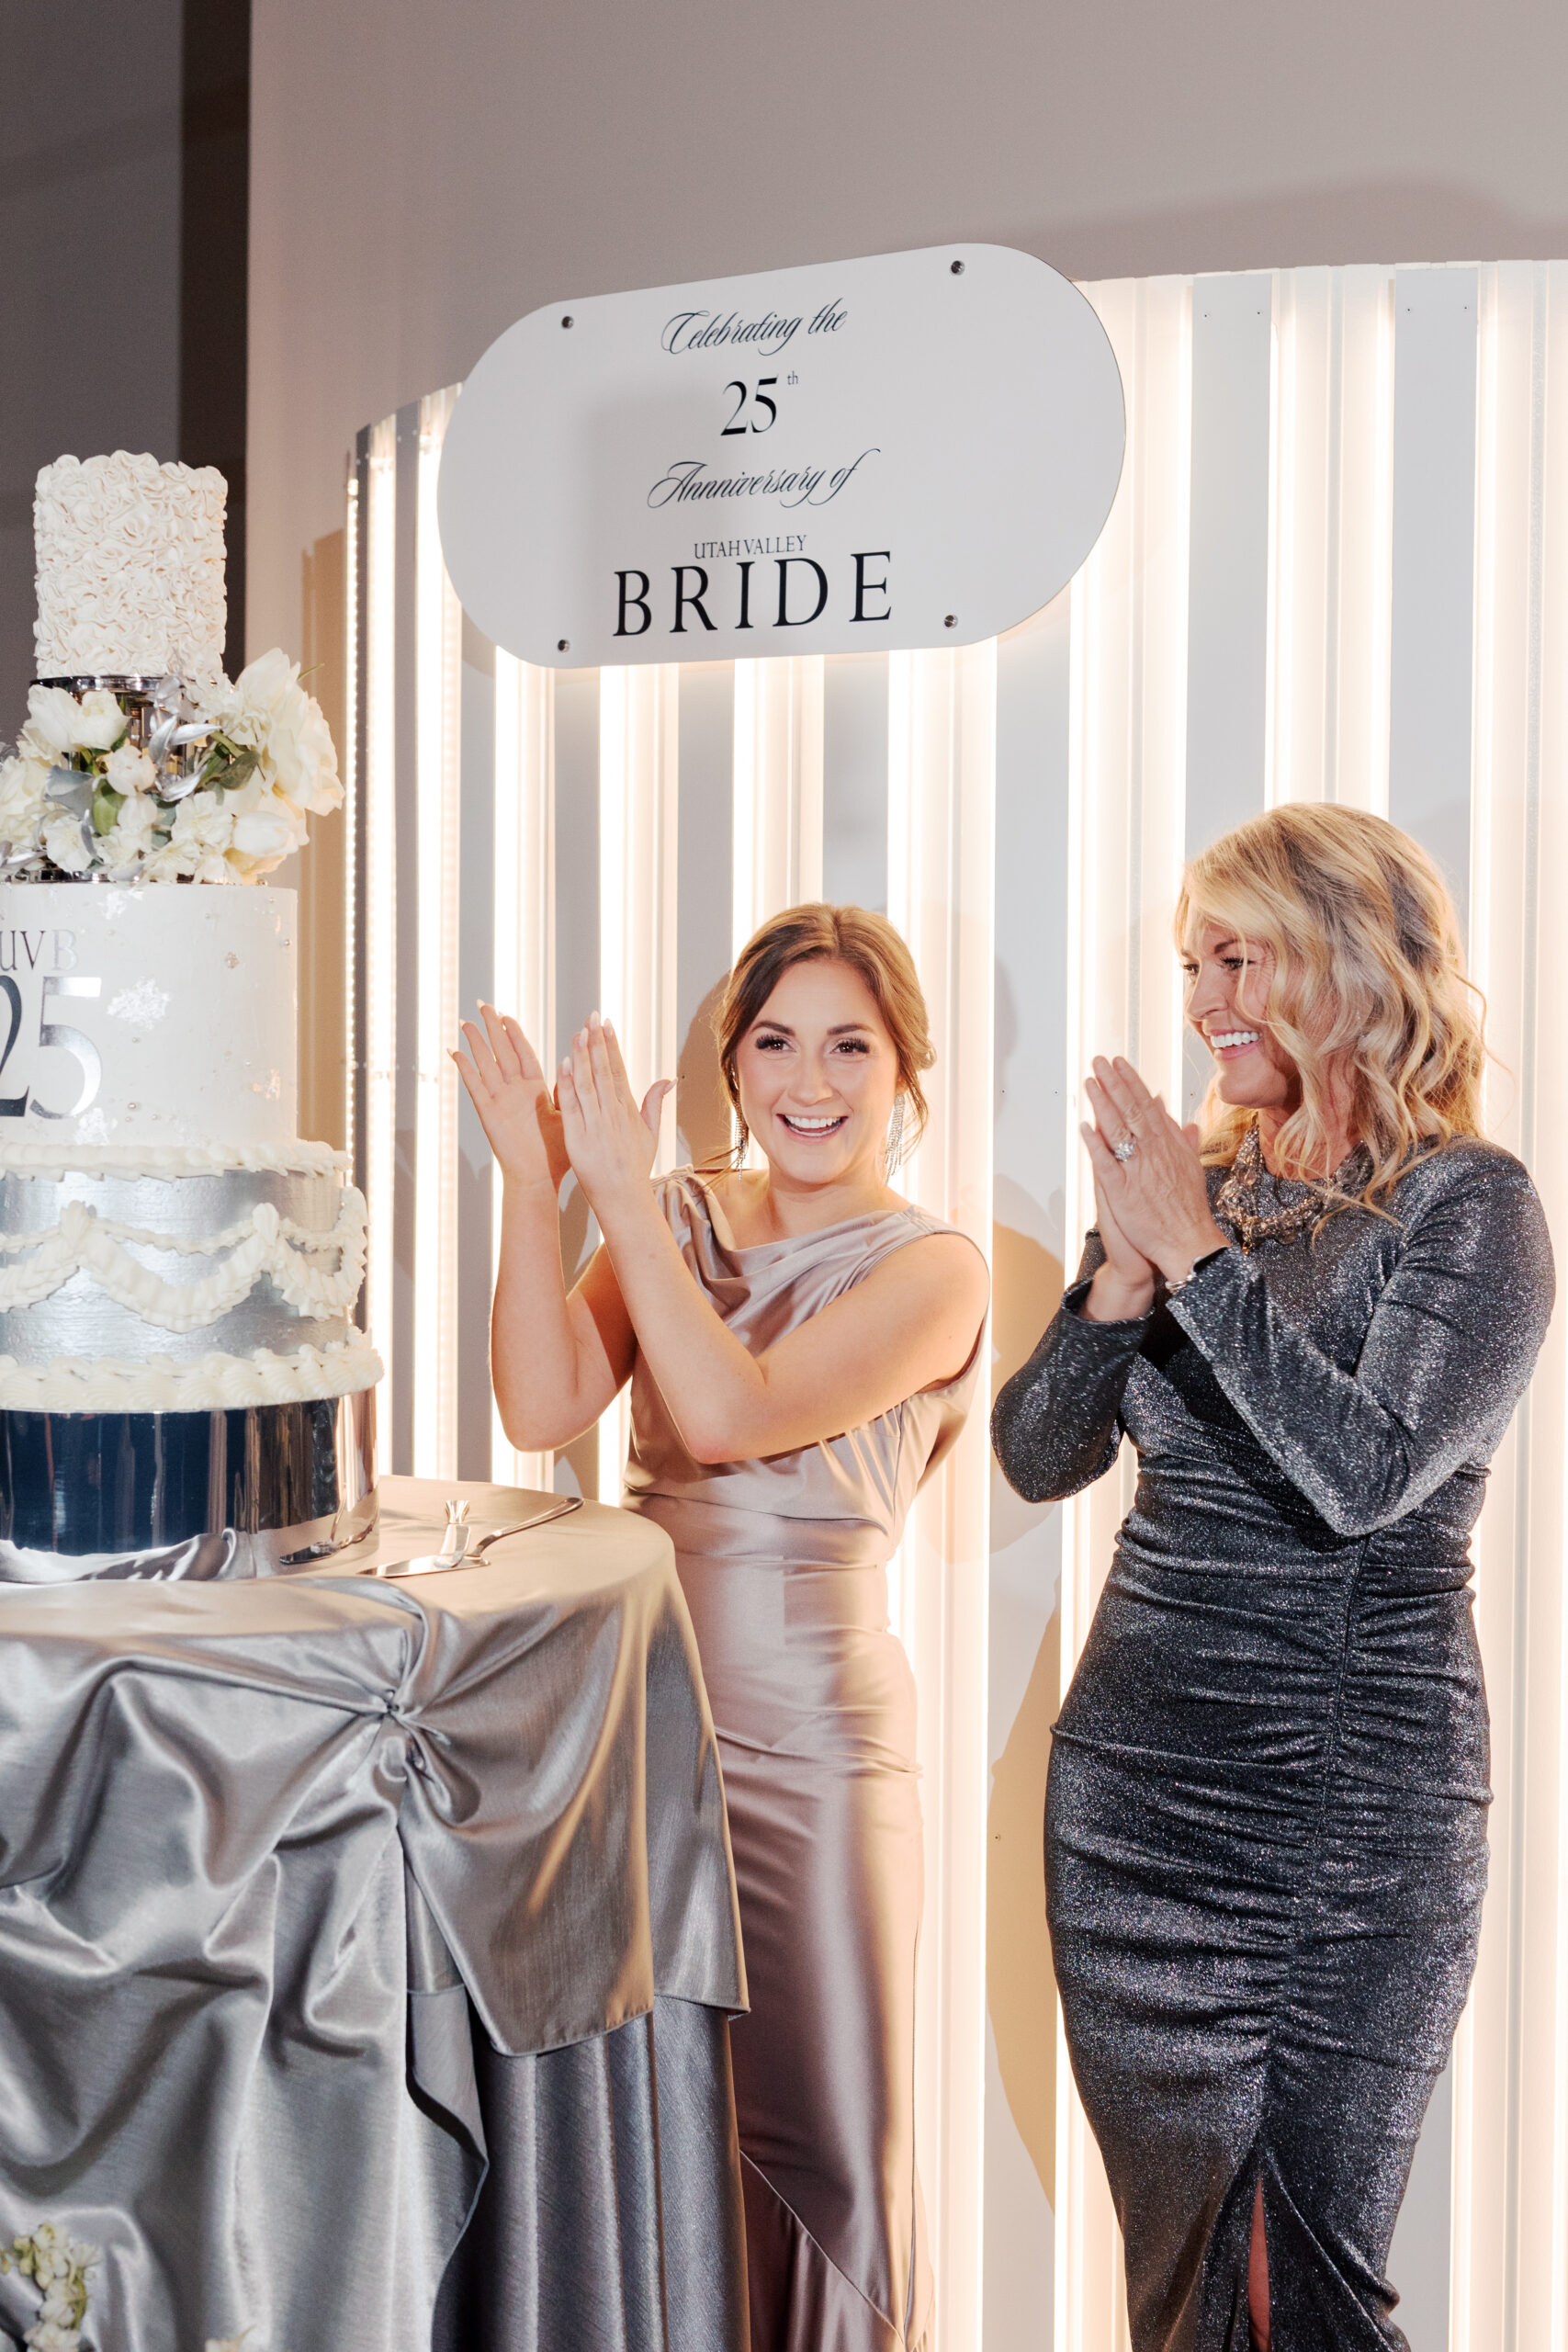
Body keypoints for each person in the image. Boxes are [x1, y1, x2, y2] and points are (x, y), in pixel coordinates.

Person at [991, 804, 1552, 2352]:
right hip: (1132, 1805)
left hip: (1347, 1823)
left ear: (1350, 961)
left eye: (1235, 960)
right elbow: (1039, 1456)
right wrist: (1120, 1280)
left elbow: (1367, 1475)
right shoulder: (1202, 1190)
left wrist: (1197, 1261)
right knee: (1186, 2279)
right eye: (1192, 965)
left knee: (1298, 2275)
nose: (1201, 1001)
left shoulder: (1471, 1205)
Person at [454, 902, 988, 2352]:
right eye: (775, 1045)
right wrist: (534, 1185)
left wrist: (625, 1206)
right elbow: (544, 1405)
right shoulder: (676, 1210)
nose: (809, 1083)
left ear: (904, 1070)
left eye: (849, 1047)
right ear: (733, 1066)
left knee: (825, 2144)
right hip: (642, 1729)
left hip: (817, 1751)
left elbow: (731, 1416)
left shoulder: (934, 1269)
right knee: (658, 2126)